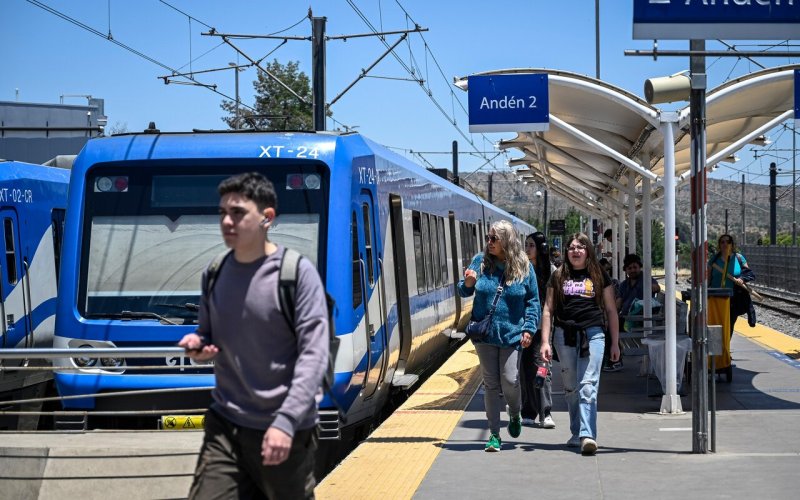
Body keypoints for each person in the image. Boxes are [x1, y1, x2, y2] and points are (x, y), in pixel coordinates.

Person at [179, 172, 329, 499]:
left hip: (284, 428)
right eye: (222, 213)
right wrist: (199, 345)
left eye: (238, 213)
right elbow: (207, 333)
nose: (227, 222)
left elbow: (314, 356)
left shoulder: (296, 274)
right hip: (226, 425)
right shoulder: (215, 272)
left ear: (266, 218)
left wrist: (286, 421)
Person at [458, 220, 540, 452]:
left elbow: (533, 301)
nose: (489, 242)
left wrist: (529, 328)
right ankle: (494, 434)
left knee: (511, 380)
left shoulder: (524, 266)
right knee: (491, 384)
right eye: (488, 237)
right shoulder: (480, 262)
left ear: (508, 241)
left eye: (494, 238)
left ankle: (514, 412)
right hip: (484, 334)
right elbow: (464, 290)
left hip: (512, 334)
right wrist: (467, 283)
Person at [539, 232, 620, 456]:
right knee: (571, 387)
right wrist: (545, 341)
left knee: (588, 386)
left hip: (593, 334)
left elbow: (611, 310)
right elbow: (548, 309)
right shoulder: (558, 276)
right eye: (572, 247)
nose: (576, 251)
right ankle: (577, 431)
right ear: (566, 252)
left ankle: (587, 435)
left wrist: (615, 343)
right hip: (564, 335)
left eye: (581, 247)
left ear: (588, 251)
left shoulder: (599, 274)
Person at [520, 232, 556, 429]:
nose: (527, 249)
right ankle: (528, 411)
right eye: (526, 245)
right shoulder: (521, 269)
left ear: (541, 248)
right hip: (524, 326)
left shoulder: (551, 271)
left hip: (543, 327)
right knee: (525, 369)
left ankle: (546, 411)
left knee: (542, 368)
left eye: (531, 245)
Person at [606, 253, 662, 372]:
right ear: (625, 270)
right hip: (627, 318)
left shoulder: (646, 280)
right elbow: (618, 303)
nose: (633, 270)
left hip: (639, 320)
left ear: (639, 267)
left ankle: (614, 361)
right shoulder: (624, 285)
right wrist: (610, 315)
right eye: (629, 268)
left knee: (608, 329)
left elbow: (657, 288)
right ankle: (611, 359)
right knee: (605, 325)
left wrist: (653, 288)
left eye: (635, 267)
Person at [708, 234, 756, 336]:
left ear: (732, 244)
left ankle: (725, 348)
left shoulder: (739, 258)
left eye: (728, 241)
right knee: (716, 323)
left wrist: (742, 279)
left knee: (728, 325)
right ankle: (719, 348)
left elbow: (748, 273)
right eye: (722, 242)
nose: (725, 244)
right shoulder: (714, 259)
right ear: (719, 245)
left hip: (733, 298)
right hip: (715, 297)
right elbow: (708, 278)